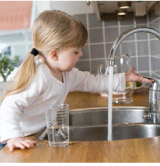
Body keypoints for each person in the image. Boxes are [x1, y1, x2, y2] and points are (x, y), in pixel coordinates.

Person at [0, 10, 152, 152]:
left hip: (34, 135)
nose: (81, 54)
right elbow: (10, 104)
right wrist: (14, 136)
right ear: (54, 55)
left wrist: (124, 78)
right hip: (16, 138)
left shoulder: (67, 74)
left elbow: (94, 82)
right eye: (75, 51)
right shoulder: (39, 76)